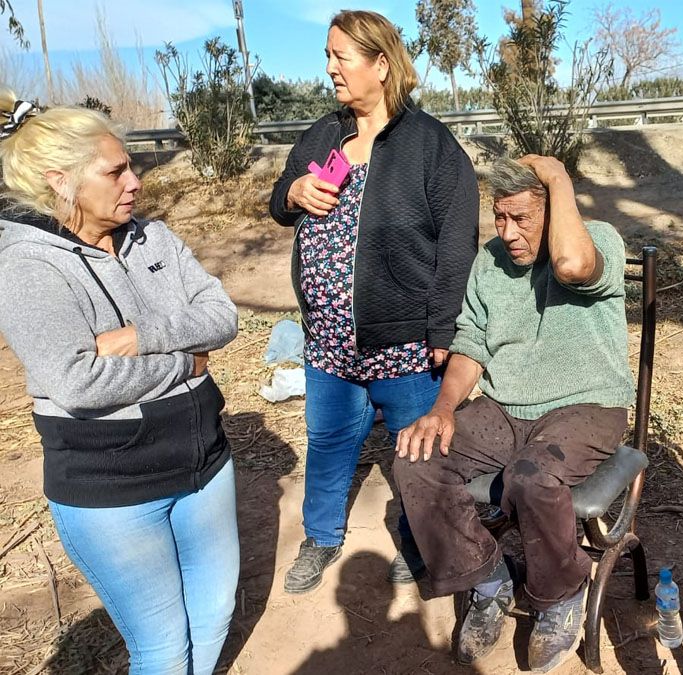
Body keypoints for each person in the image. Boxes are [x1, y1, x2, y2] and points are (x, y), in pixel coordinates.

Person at [0, 91, 240, 675]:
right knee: (162, 649)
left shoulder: (153, 237)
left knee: (213, 615)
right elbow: (78, 381)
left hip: (204, 464)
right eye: (115, 172)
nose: (135, 182)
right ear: (61, 183)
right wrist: (186, 364)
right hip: (112, 487)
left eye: (130, 166)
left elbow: (223, 316)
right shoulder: (28, 265)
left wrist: (139, 336)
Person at [392, 156, 634, 672]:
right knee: (417, 458)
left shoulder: (598, 240)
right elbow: (471, 343)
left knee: (531, 477)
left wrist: (559, 177)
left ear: (555, 208)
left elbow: (572, 267)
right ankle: (488, 577)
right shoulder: (491, 260)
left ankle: (560, 593)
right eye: (499, 217)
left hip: (587, 406)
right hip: (506, 408)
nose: (507, 232)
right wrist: (442, 409)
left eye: (521, 218)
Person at [268, 10, 479, 593]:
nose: (330, 68)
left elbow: (457, 242)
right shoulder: (323, 134)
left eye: (341, 57)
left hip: (402, 338)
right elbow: (279, 202)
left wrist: (443, 329)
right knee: (328, 440)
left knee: (415, 451)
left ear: (381, 64)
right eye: (328, 56)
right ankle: (321, 536)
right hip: (328, 339)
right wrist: (293, 190)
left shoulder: (429, 144)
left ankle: (418, 542)